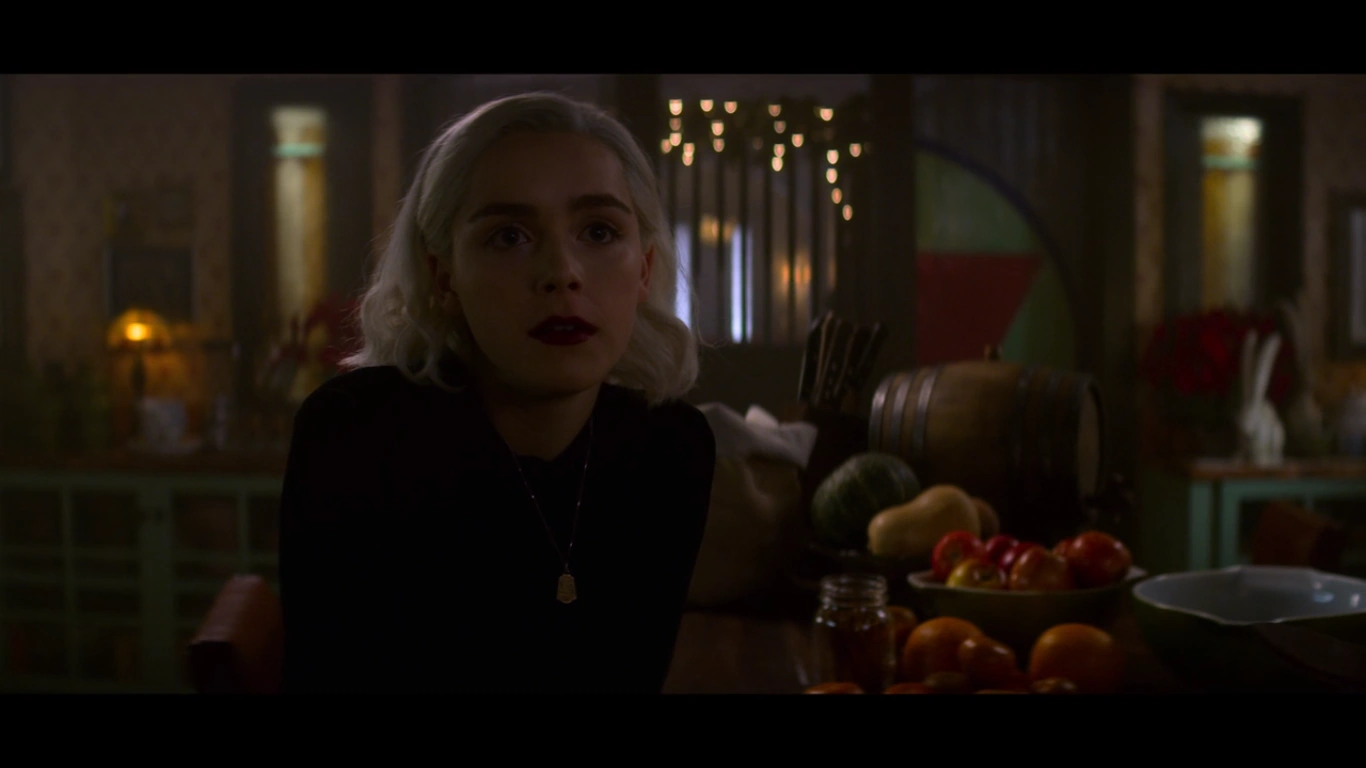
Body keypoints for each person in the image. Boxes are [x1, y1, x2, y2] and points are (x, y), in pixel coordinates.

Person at [278, 92, 717, 694]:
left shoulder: (671, 447)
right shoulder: (358, 437)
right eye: (509, 236)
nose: (562, 273)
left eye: (598, 231)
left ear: (643, 269)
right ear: (443, 277)